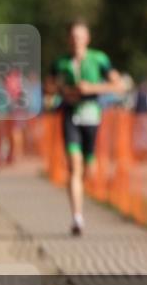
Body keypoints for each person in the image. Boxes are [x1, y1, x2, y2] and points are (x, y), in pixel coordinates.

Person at [46, 19, 124, 235]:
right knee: (74, 165)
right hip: (70, 115)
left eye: (80, 37)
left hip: (92, 117)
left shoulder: (99, 59)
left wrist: (91, 88)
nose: (76, 41)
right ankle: (77, 217)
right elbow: (48, 86)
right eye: (73, 37)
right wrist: (63, 91)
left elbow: (119, 85)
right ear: (68, 40)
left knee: (88, 170)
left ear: (87, 39)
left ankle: (82, 195)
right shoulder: (60, 63)